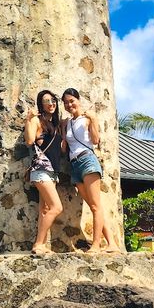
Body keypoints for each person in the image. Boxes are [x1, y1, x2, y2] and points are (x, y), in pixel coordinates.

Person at [61, 87, 121, 253]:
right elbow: (65, 146)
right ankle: (112, 243)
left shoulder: (87, 118)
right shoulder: (67, 123)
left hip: (88, 160)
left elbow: (95, 140)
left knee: (95, 206)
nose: (69, 104)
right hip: (75, 165)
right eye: (66, 103)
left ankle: (96, 245)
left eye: (71, 101)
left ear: (78, 100)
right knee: (94, 206)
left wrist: (93, 120)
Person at [24, 90, 64, 254]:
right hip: (41, 170)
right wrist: (28, 119)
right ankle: (38, 244)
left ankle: (42, 246)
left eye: (53, 100)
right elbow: (29, 140)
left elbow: (60, 150)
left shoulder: (55, 125)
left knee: (45, 210)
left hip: (52, 172)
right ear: (41, 104)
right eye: (47, 101)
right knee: (56, 207)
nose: (51, 103)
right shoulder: (36, 120)